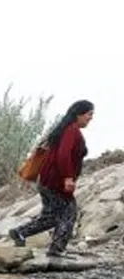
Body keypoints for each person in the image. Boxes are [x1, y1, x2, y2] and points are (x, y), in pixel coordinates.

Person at [9, 100, 93, 257]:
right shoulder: (71, 131)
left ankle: (20, 232)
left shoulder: (65, 130)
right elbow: (63, 155)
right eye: (89, 114)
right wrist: (68, 177)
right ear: (79, 114)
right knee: (69, 213)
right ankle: (57, 249)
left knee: (51, 216)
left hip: (47, 181)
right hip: (56, 182)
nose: (91, 118)